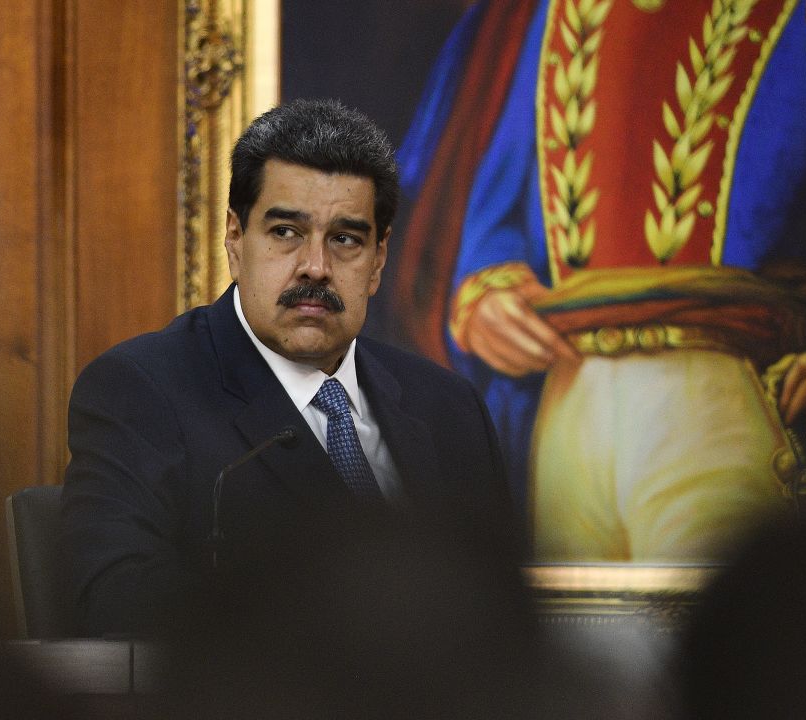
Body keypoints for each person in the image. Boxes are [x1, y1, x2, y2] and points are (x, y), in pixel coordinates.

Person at [394, 0, 806, 562]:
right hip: (568, 409)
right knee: (569, 639)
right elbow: (495, 219)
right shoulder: (557, 11)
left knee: (715, 637)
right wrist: (486, 296)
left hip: (712, 404)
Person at [60, 99, 513, 637]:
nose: (316, 267)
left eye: (345, 239)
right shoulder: (143, 389)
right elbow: (113, 599)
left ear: (379, 260)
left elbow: (503, 615)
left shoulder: (447, 407)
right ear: (234, 238)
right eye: (285, 233)